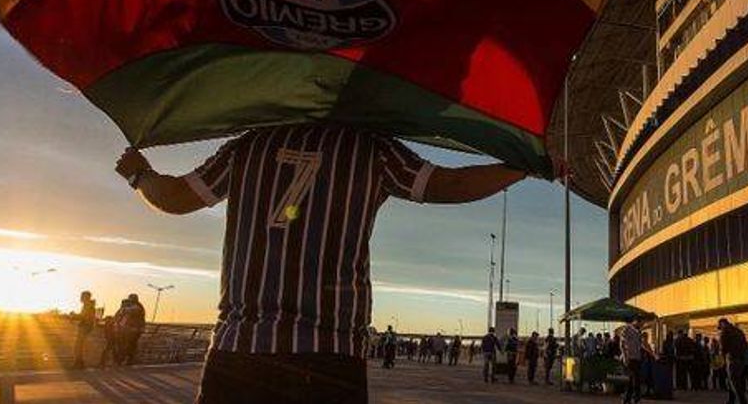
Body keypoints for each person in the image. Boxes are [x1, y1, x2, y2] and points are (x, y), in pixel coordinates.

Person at [115, 124, 531, 403]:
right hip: (329, 356)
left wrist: (139, 174)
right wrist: (522, 167)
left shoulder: (248, 145)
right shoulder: (372, 148)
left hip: (239, 350)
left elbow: (175, 197)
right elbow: (449, 185)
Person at [718, 318, 748, 404]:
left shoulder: (725, 332)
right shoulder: (739, 331)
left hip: (731, 359)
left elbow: (723, 348)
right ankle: (731, 400)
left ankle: (742, 401)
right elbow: (746, 344)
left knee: (734, 381)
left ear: (722, 324)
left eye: (720, 326)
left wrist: (721, 359)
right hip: (741, 359)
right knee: (733, 380)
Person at [616, 318, 644, 404]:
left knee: (633, 379)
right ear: (634, 321)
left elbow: (641, 345)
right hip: (629, 358)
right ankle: (634, 397)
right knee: (634, 379)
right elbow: (622, 344)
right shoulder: (627, 329)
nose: (641, 324)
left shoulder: (638, 332)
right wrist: (625, 356)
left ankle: (628, 399)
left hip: (637, 358)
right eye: (639, 322)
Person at [114, 293, 146, 365]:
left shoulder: (137, 307)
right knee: (129, 345)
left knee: (128, 345)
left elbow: (129, 311)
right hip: (130, 329)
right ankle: (126, 359)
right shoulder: (136, 307)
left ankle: (126, 359)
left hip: (133, 330)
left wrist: (123, 307)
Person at [73, 290, 97, 369]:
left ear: (86, 297)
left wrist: (74, 316)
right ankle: (80, 362)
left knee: (79, 346)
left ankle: (79, 363)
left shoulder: (88, 306)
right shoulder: (88, 305)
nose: (80, 298)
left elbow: (84, 317)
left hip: (85, 327)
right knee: (79, 346)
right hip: (85, 326)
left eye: (82, 296)